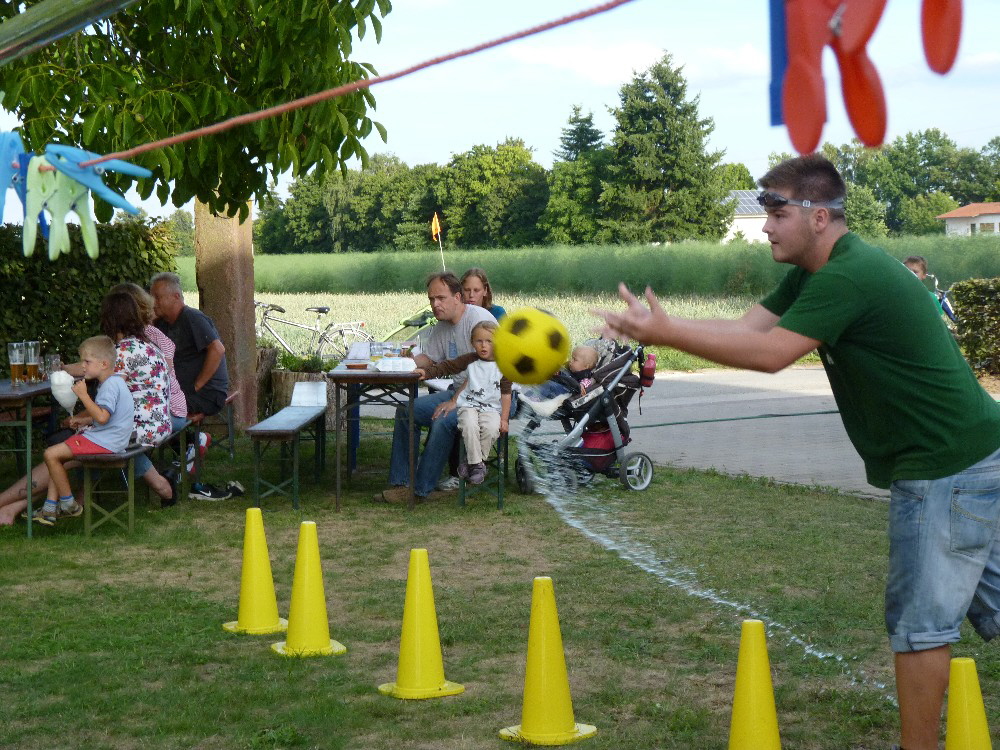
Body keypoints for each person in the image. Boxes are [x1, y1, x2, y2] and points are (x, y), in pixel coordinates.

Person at [596, 153, 1000, 750]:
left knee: (920, 627)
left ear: (818, 217)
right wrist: (663, 324)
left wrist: (667, 334)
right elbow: (749, 330)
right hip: (972, 454)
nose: (765, 226)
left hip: (943, 465)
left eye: (776, 212)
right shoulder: (815, 272)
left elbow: (771, 356)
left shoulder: (848, 274)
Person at [377, 272, 497, 504]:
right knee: (406, 411)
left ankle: (419, 491)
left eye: (441, 298)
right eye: (431, 299)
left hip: (487, 398)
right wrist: (400, 362)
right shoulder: (441, 326)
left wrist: (454, 402)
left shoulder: (480, 320)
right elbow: (430, 359)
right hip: (459, 392)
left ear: (457, 297)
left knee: (442, 418)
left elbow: (486, 373)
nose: (435, 304)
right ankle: (400, 482)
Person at [35, 336, 134, 526]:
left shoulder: (110, 386)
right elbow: (106, 416)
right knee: (58, 455)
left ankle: (69, 505)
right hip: (111, 439)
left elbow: (103, 417)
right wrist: (82, 421)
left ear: (104, 364)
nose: (83, 366)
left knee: (51, 454)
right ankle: (49, 507)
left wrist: (83, 395)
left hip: (106, 442)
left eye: (87, 362)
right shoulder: (115, 382)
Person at [413, 321, 512, 485]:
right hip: (469, 405)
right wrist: (427, 372)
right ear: (472, 343)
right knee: (468, 424)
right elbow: (448, 366)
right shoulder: (470, 359)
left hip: (491, 409)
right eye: (479, 341)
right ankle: (478, 465)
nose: (483, 346)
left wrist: (504, 419)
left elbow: (506, 394)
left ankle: (471, 461)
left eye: (489, 341)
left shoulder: (504, 366)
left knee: (491, 428)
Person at [149, 271, 229, 418]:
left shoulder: (192, 317)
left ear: (176, 297)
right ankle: (194, 440)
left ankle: (194, 439)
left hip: (207, 394)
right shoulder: (162, 323)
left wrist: (196, 386)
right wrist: (149, 319)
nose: (153, 303)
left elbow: (217, 350)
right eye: (151, 298)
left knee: (155, 412)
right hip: (182, 393)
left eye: (157, 297)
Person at [528, 344, 600, 401]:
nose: (571, 361)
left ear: (586, 366)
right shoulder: (570, 369)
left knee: (549, 385)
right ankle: (529, 394)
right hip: (560, 386)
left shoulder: (586, 376)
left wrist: (581, 386)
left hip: (567, 392)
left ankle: (536, 398)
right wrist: (558, 373)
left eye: (575, 359)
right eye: (571, 358)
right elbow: (565, 376)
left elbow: (587, 383)